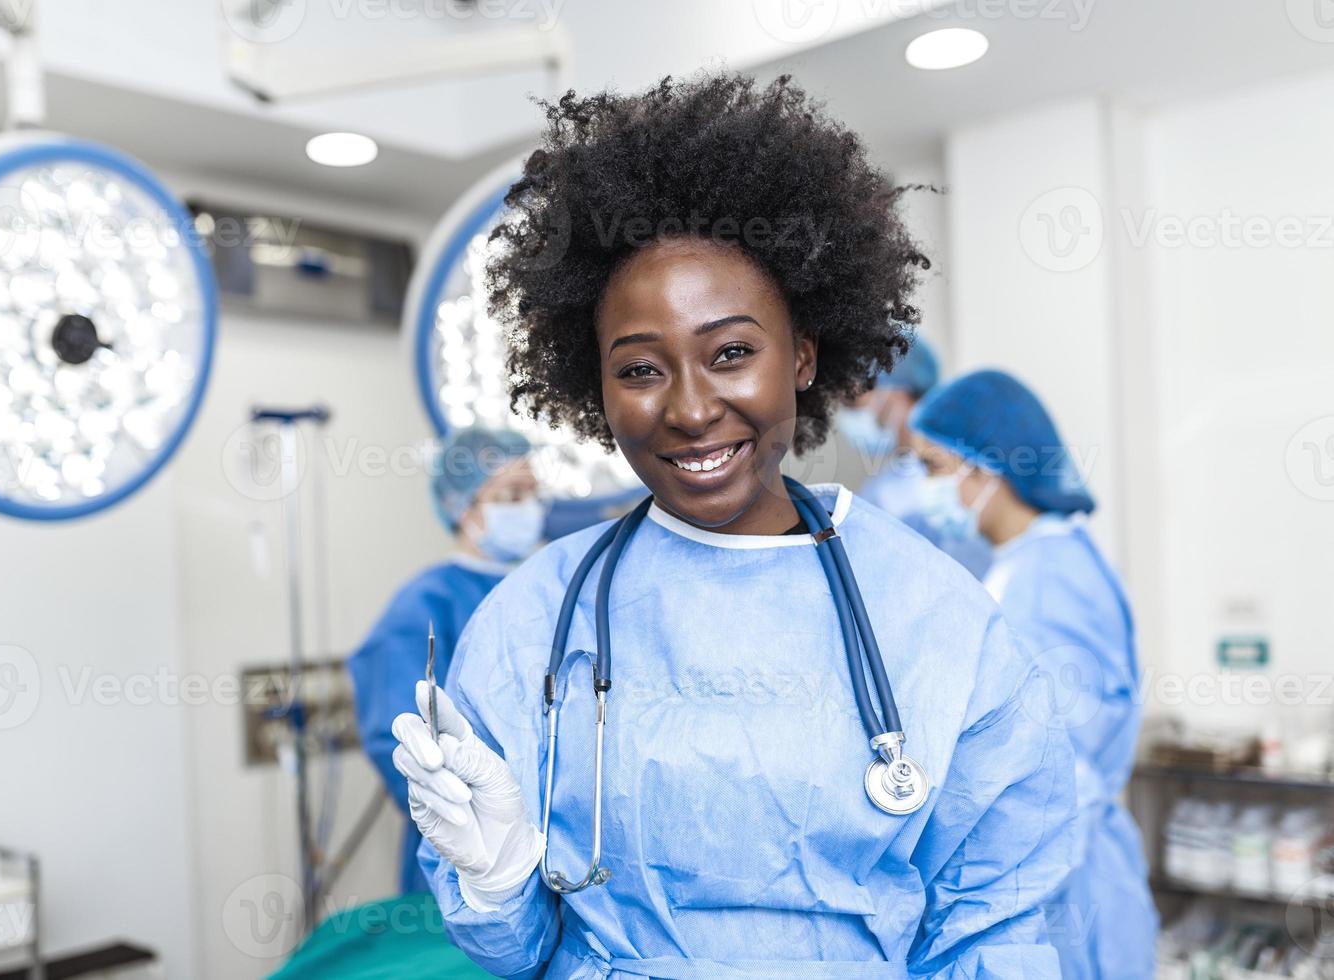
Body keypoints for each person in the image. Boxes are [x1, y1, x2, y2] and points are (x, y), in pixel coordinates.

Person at [389, 73, 1076, 977]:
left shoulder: (934, 619)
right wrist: (497, 883)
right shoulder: (533, 626)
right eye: (639, 369)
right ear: (593, 388)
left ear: (803, 356)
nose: (690, 409)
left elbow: (1001, 928)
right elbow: (517, 953)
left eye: (732, 353)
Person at [909, 369, 1157, 980]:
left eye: (934, 468)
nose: (925, 491)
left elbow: (1062, 770)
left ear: (985, 468)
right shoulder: (1028, 565)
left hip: (1066, 895)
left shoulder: (1050, 582)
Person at [347, 426, 546, 895]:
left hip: (553, 841)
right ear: (462, 505)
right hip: (465, 853)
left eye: (534, 494)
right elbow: (400, 744)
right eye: (510, 495)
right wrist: (471, 815)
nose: (529, 509)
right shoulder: (424, 606)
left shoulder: (545, 588)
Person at [835, 336, 992, 578]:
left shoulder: (958, 470)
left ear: (896, 392)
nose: (848, 415)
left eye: (853, 401)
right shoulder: (886, 485)